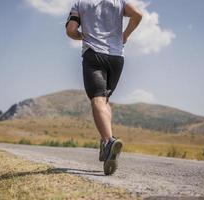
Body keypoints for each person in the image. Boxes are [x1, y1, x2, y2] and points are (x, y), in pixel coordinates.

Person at [65, 0, 142, 175]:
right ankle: (106, 141)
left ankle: (108, 141)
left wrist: (80, 36)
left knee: (98, 99)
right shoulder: (119, 1)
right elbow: (138, 15)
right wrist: (125, 35)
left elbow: (71, 30)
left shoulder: (80, 4)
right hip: (116, 57)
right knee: (105, 99)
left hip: (93, 55)